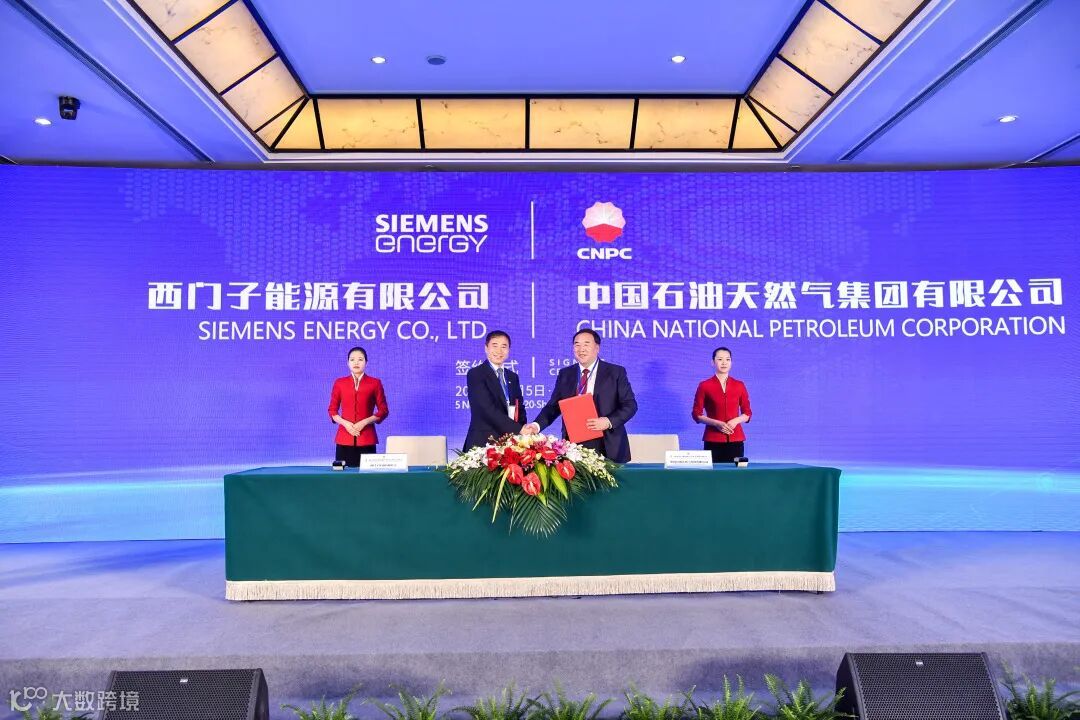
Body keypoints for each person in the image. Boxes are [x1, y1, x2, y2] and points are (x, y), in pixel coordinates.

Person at [524, 329, 637, 463]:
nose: (581, 349)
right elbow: (553, 407)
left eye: (586, 344)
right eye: (577, 345)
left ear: (597, 348)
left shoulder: (615, 372)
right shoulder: (566, 374)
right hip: (574, 446)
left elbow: (630, 405)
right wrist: (536, 425)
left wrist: (608, 421)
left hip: (608, 444)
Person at [463, 330, 527, 451]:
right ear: (486, 348)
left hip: (510, 444)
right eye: (495, 345)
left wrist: (522, 433)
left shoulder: (513, 377)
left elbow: (519, 408)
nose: (499, 351)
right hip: (483, 443)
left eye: (504, 346)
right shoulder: (476, 374)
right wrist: (519, 429)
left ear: (509, 350)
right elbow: (487, 409)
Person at [328, 346, 389, 466]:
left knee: (367, 475)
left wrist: (365, 422)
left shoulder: (375, 383)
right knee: (343, 474)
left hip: (367, 438)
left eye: (360, 359)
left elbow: (383, 410)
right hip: (344, 438)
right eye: (352, 359)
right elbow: (332, 410)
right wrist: (346, 424)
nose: (356, 362)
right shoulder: (339, 383)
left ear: (366, 362)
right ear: (348, 363)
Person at [692, 346, 752, 463]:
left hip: (736, 439)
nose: (724, 362)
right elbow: (696, 414)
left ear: (731, 362)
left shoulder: (739, 385)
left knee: (736, 473)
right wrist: (716, 423)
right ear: (713, 362)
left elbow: (747, 413)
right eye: (720, 359)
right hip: (712, 439)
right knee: (713, 473)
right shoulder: (704, 385)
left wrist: (735, 421)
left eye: (728, 359)